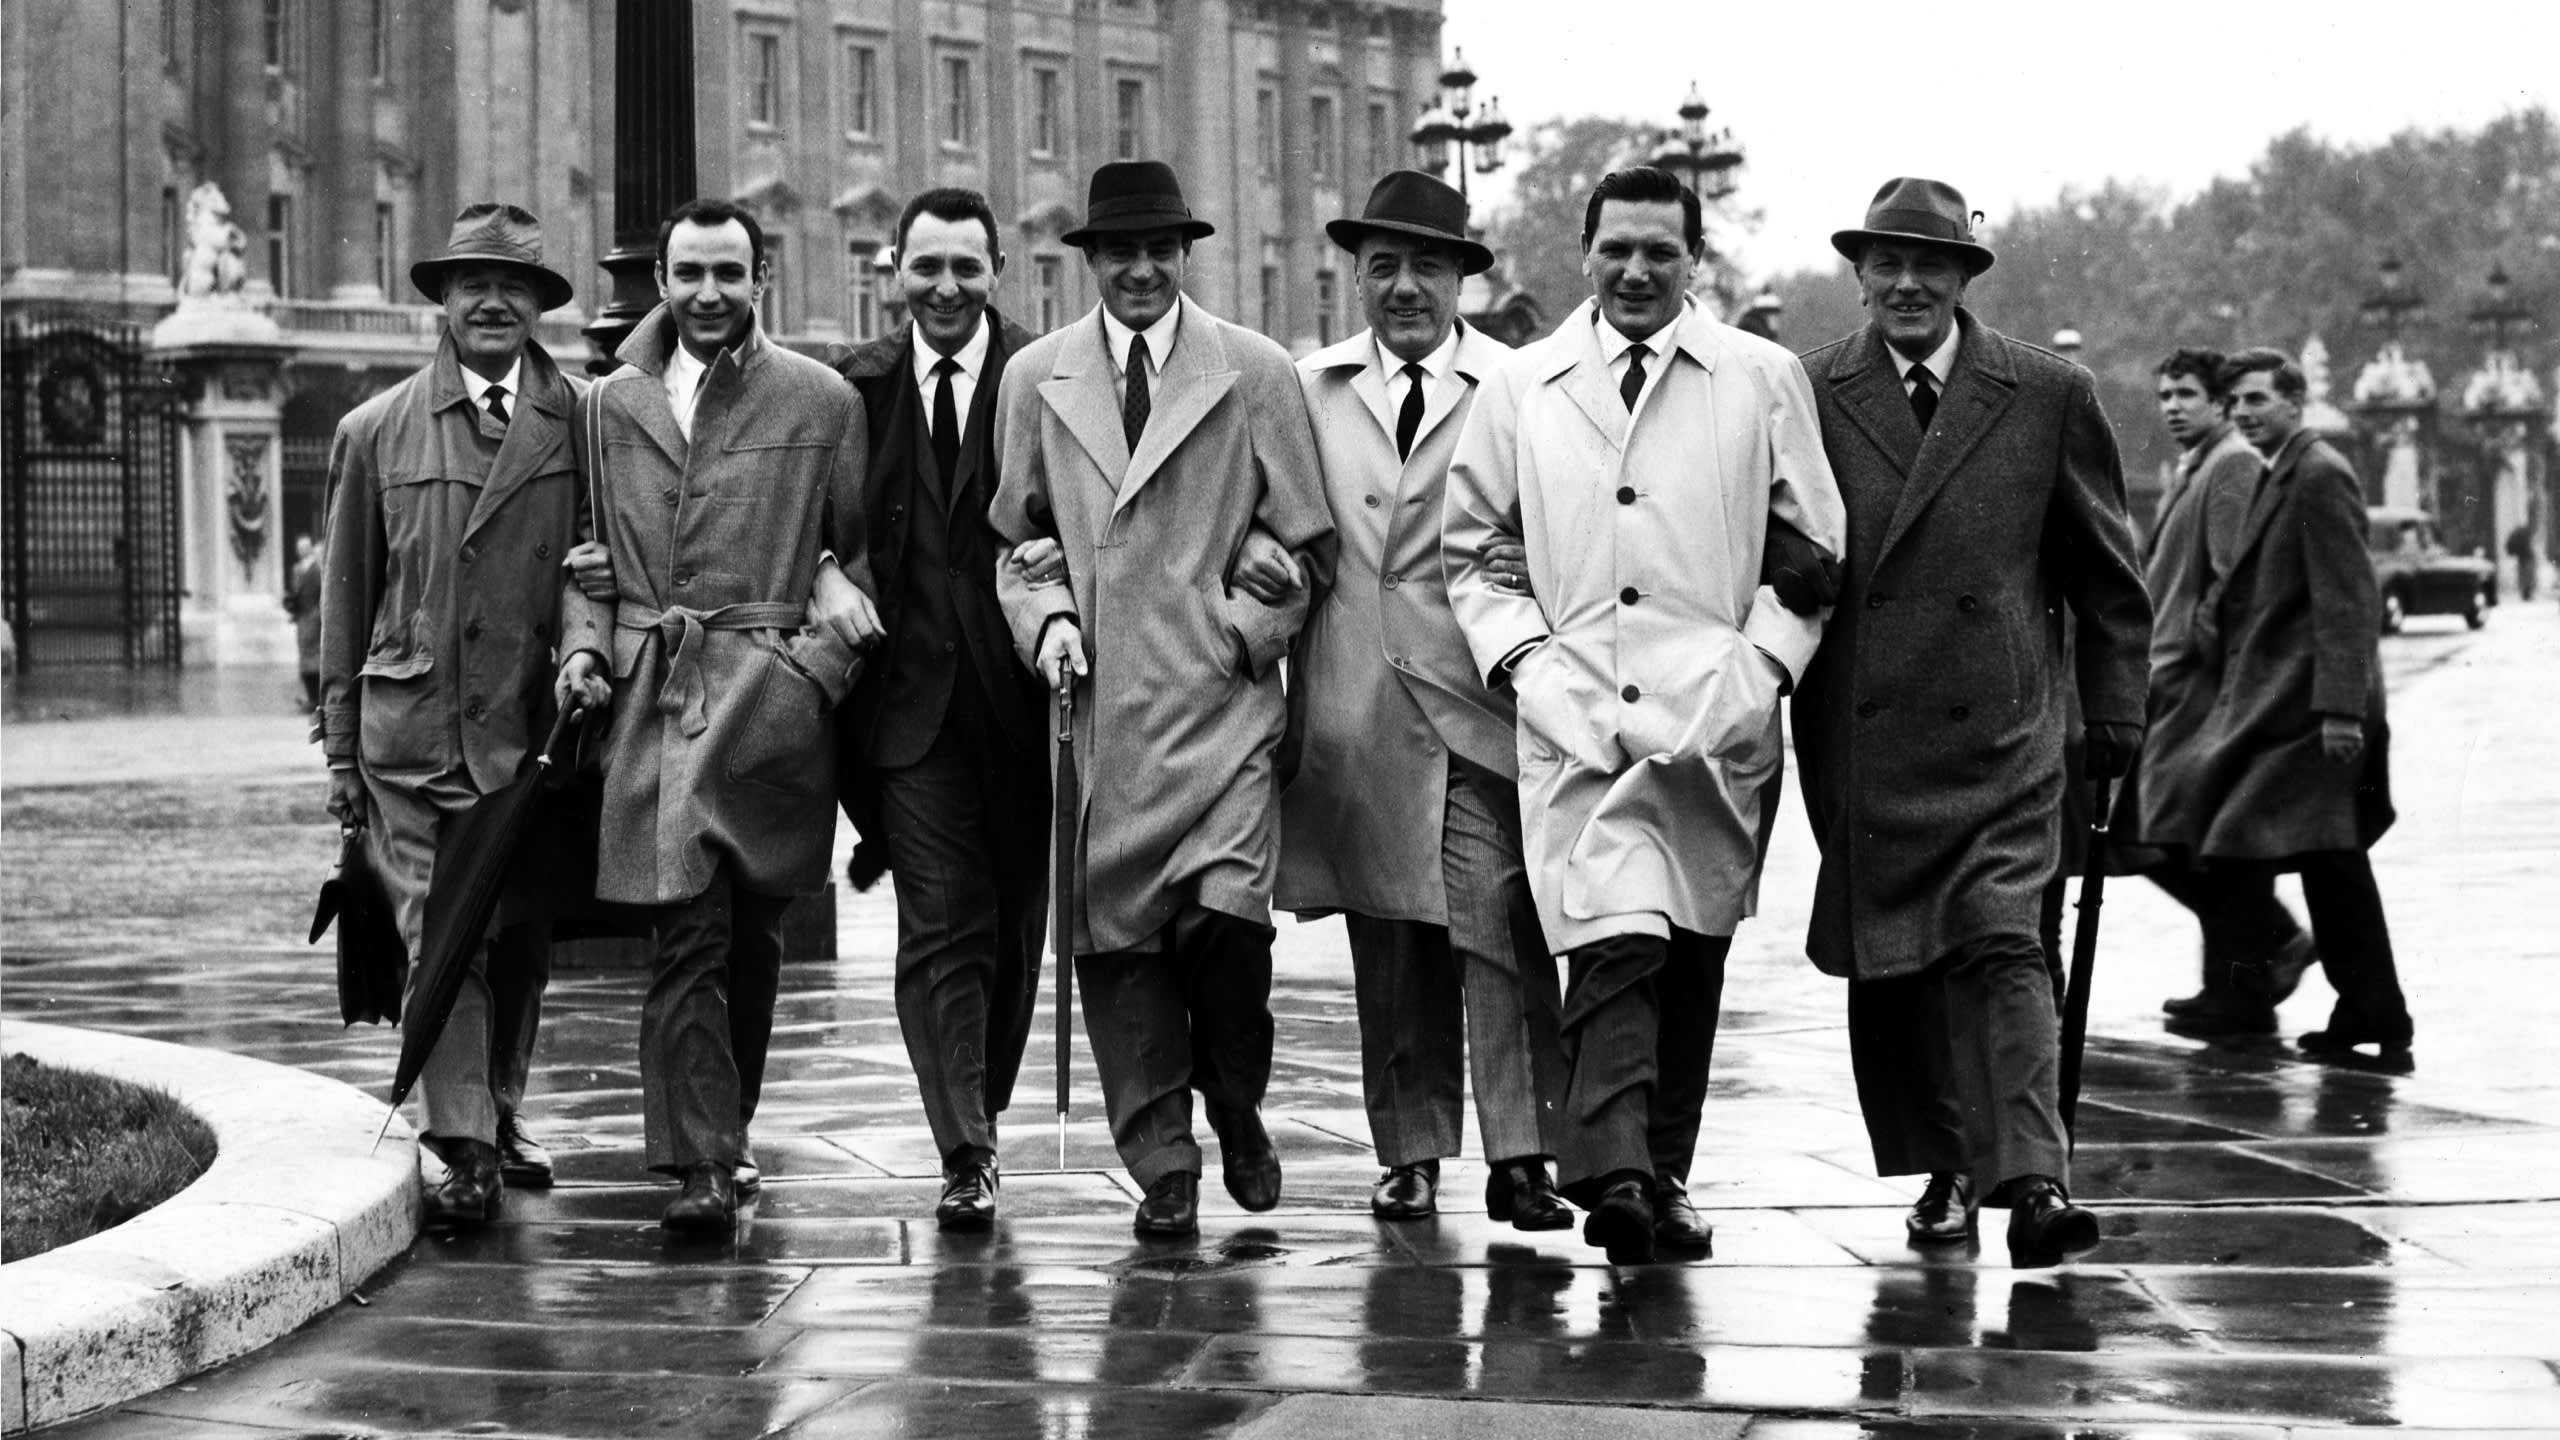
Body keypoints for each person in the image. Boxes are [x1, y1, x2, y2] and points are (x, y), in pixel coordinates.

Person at [1444, 166, 1846, 1265]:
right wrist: (1528, 665)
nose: (1635, 270)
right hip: (1573, 714)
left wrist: (1756, 669)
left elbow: (1812, 549)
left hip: (1712, 719)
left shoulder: (1758, 378)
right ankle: (1614, 1170)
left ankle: (1656, 1176)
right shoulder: (1522, 386)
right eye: (1616, 248)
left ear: (1692, 263)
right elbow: (1473, 552)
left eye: (1659, 252)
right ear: (1583, 253)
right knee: (1617, 938)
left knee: (1690, 953)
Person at [1791, 177, 2151, 1268]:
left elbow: (2108, 577)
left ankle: (2034, 1181)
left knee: (2003, 947)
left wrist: (2117, 714)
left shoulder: (2045, 393)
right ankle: (1948, 1167)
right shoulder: (1803, 391)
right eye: (1888, 265)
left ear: (1963, 278)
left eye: (1931, 267)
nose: (1907, 285)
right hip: (1865, 734)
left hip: (2005, 733)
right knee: (1896, 968)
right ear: (1859, 275)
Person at [989, 160, 1334, 1238]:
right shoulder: (1035, 377)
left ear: (1186, 256)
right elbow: (1017, 541)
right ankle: (1163, 1166)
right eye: (1118, 252)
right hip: (1100, 721)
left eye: (1159, 251)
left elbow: (1305, 538)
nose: (1140, 269)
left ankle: (1234, 1102)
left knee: (1225, 935)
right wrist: (1045, 623)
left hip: (1223, 712)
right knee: (1123, 952)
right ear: (1087, 260)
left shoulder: (1256, 370)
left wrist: (1244, 629)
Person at [553, 198, 883, 1233]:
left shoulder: (820, 400)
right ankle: (698, 1165)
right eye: (688, 273)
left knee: (749, 935)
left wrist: (813, 668)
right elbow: (584, 559)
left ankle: (725, 1134)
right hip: (658, 694)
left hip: (769, 702)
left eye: (727, 275)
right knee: (683, 928)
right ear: (659, 278)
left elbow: (855, 555)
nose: (707, 295)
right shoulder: (610, 404)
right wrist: (583, 653)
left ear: (759, 281)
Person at [1276, 170, 1572, 1233]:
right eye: (1384, 268)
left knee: (1498, 918)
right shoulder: (1305, 388)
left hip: (1478, 701)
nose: (1406, 289)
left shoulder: (1520, 385)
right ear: (1356, 275)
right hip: (1356, 704)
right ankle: (1408, 1150)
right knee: (1388, 938)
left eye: (1428, 268)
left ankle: (1521, 1150)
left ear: (1462, 280)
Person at [316, 202, 582, 1228]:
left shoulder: (579, 418)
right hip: (413, 734)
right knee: (445, 936)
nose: (492, 301)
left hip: (528, 733)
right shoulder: (374, 429)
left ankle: (500, 1108)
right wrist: (342, 754)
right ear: (442, 299)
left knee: (517, 938)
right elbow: (346, 601)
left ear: (536, 305)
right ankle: (462, 1143)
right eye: (472, 282)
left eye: (513, 285)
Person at [827, 188, 1049, 1230]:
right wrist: (829, 569)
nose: (945, 288)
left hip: (1026, 699)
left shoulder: (1046, 379)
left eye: (966, 267)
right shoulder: (853, 390)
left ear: (998, 273)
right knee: (941, 925)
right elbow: (812, 523)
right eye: (926, 268)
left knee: (1011, 928)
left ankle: (983, 1105)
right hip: (906, 711)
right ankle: (963, 1146)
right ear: (894, 272)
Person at [2180, 347, 2411, 1070]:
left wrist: (2342, 711)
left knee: (2250, 848)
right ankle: (2368, 1009)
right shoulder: (2285, 470)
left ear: (2296, 400)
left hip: (2310, 714)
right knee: (2325, 862)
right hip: (2286, 709)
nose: (2245, 413)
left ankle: (2257, 996)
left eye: (2257, 400)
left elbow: (2349, 600)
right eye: (2238, 403)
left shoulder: (2317, 473)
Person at [2118, 348, 2314, 1036]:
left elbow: (2237, 576)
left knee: (2164, 836)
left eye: (2187, 395)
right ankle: (2242, 975)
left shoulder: (2229, 464)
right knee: (2181, 837)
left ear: (2219, 402)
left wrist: (2207, 648)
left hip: (2193, 683)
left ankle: (2257, 963)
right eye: (2165, 394)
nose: (2172, 406)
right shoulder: (2198, 464)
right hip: (2170, 677)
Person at [285, 534, 322, 709]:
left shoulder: (317, 569)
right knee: (304, 657)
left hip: (313, 617)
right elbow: (295, 592)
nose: (302, 551)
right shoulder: (297, 569)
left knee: (313, 658)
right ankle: (310, 696)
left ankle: (315, 698)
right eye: (299, 548)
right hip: (302, 617)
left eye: (305, 547)